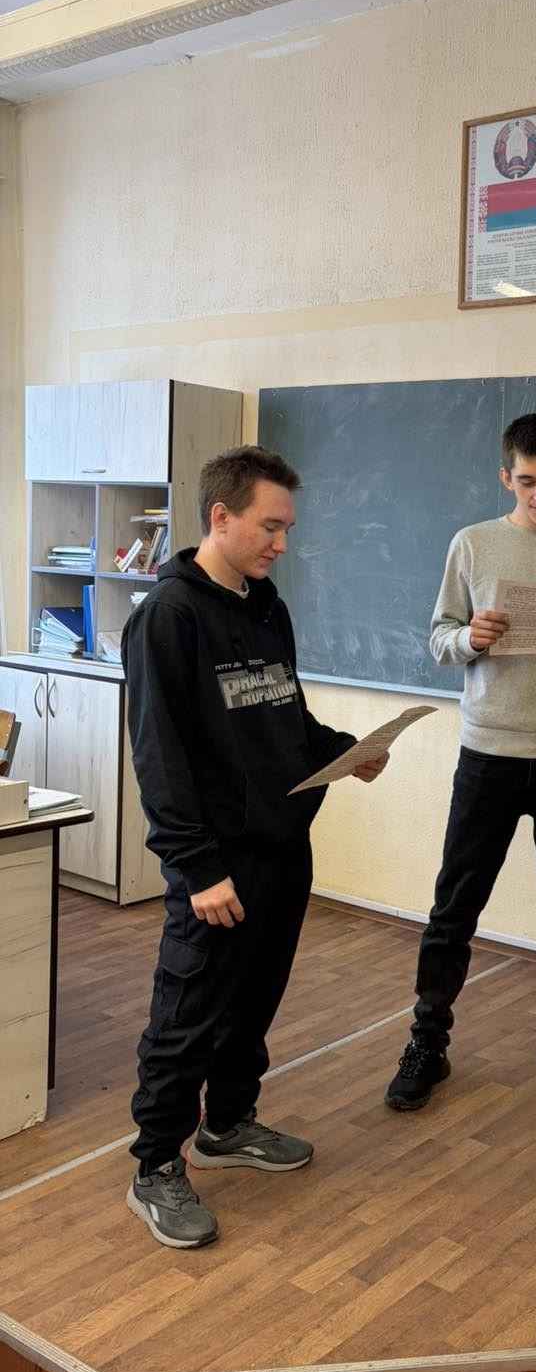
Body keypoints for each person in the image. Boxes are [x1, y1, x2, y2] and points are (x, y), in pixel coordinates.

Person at [122, 445, 389, 1249]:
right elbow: (159, 755)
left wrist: (344, 751)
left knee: (253, 1003)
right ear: (221, 516)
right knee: (187, 1016)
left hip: (281, 849)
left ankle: (228, 1124)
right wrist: (197, 867)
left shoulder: (267, 606)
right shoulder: (168, 616)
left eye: (287, 529)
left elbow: (283, 716)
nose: (281, 543)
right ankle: (156, 1166)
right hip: (216, 865)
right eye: (270, 527)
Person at [385, 413, 536, 1112]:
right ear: (506, 477)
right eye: (527, 481)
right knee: (454, 907)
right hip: (488, 751)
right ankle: (427, 1042)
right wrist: (472, 638)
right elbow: (439, 640)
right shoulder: (472, 544)